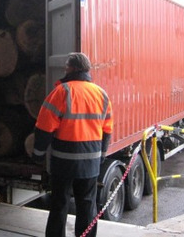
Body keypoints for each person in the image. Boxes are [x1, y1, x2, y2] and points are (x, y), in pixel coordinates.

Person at [31, 52, 113, 237]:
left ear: (72, 68)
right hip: (90, 164)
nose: (65, 69)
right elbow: (107, 130)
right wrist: (101, 156)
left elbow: (44, 128)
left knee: (59, 205)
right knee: (87, 206)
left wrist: (37, 155)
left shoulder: (61, 92)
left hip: (64, 163)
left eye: (66, 66)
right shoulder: (102, 94)